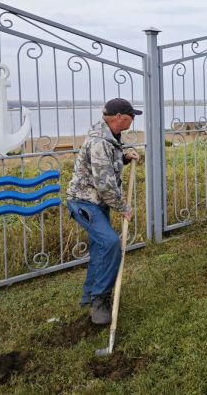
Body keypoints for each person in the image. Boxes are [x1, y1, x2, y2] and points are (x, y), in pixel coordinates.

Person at [66, 98, 142, 324]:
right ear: (119, 117)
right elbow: (104, 184)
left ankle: (91, 296)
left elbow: (108, 163)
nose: (132, 120)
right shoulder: (100, 141)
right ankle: (100, 299)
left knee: (101, 248)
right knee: (110, 243)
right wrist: (123, 208)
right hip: (85, 203)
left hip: (97, 202)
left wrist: (125, 157)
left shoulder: (109, 135)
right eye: (130, 117)